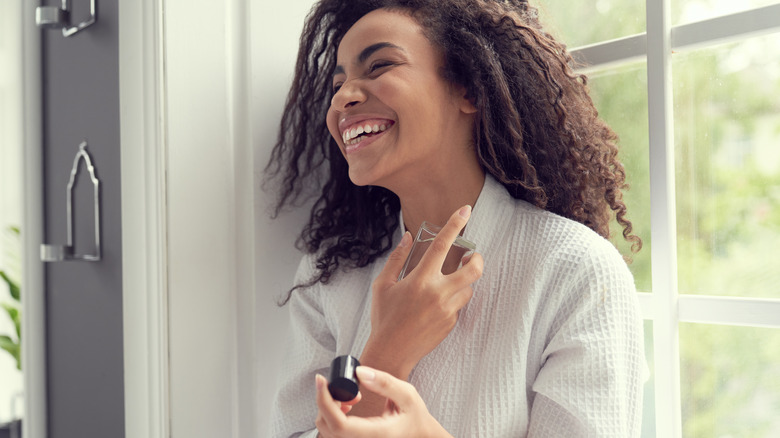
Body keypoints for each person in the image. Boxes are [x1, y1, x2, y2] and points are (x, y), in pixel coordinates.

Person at [265, 0, 646, 436]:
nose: (344, 97)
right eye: (339, 82)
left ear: (469, 89)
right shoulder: (328, 277)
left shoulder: (575, 271)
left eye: (379, 66)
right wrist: (388, 350)